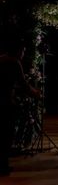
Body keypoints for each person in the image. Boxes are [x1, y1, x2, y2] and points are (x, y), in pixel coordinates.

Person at [0, 42, 41, 176]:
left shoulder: (2, 59)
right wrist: (35, 93)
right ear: (17, 51)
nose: (23, 54)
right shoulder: (14, 63)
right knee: (6, 133)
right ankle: (3, 165)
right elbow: (23, 84)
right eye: (22, 51)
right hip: (6, 102)